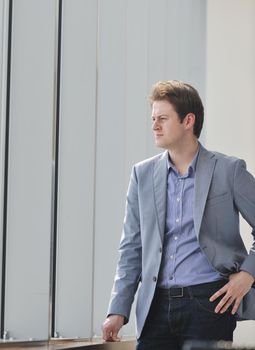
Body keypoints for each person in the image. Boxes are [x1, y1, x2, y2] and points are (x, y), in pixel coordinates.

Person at [102, 80, 255, 350]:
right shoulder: (142, 175)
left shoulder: (229, 170)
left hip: (210, 302)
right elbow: (131, 248)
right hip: (155, 307)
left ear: (188, 121)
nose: (154, 125)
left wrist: (248, 274)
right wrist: (118, 309)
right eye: (153, 118)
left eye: (163, 118)